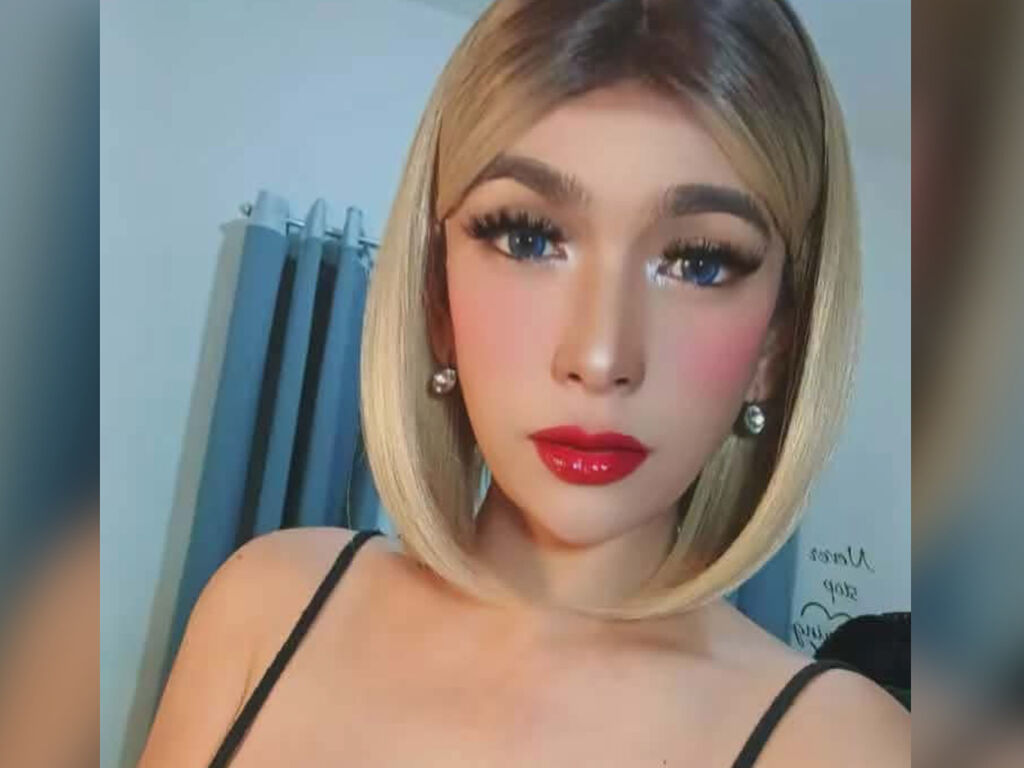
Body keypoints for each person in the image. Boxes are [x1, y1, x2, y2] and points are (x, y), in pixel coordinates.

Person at [139, 0, 910, 764]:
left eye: (699, 263)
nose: (600, 357)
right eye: (529, 239)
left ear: (775, 344)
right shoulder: (265, 606)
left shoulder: (844, 744)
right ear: (437, 294)